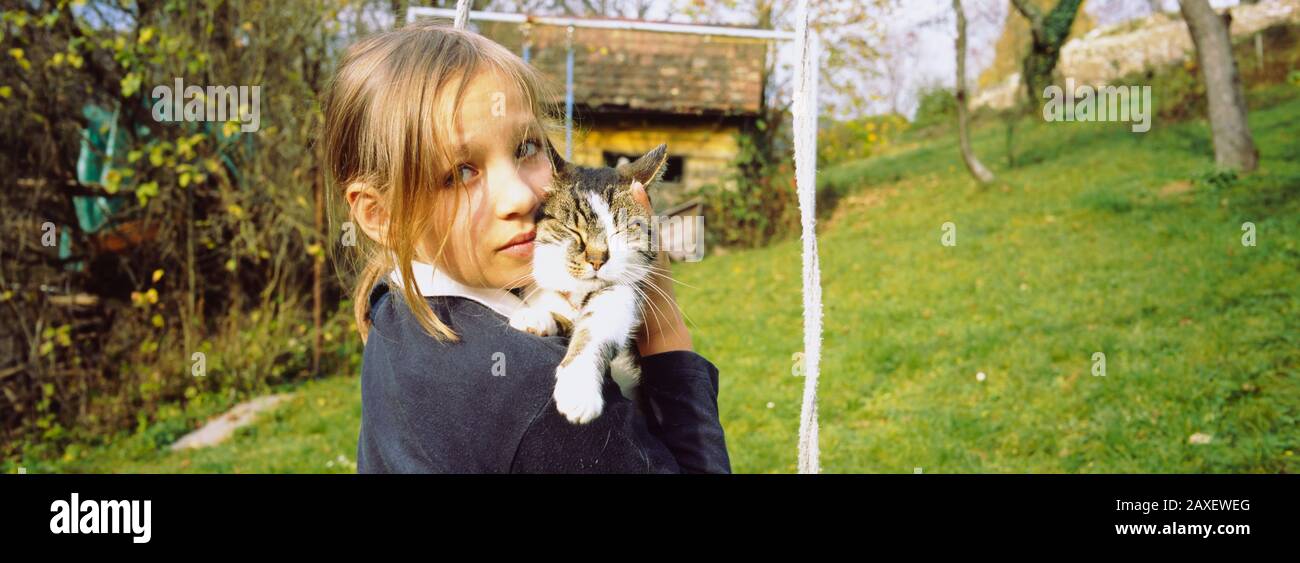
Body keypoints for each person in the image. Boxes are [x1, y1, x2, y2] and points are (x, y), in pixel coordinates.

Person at [320, 22, 731, 473]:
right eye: (460, 173)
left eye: (526, 147)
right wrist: (665, 329)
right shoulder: (539, 392)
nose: (520, 196)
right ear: (379, 214)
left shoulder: (393, 311)